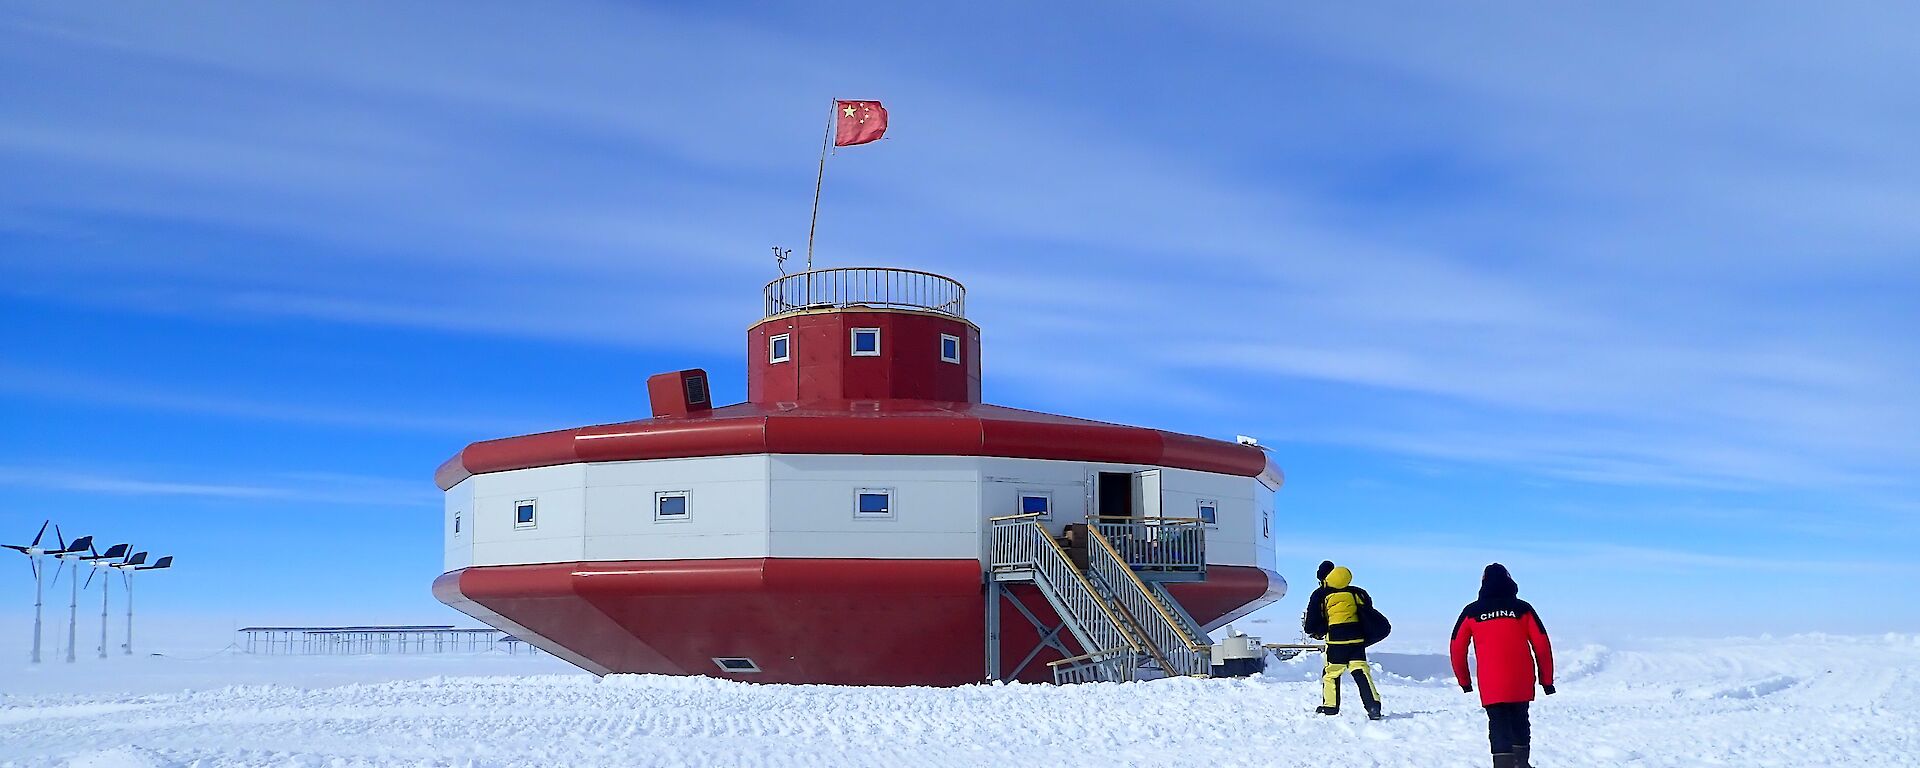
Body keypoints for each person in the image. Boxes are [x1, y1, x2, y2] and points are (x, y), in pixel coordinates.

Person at [1449, 563, 1555, 768]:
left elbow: (1456, 647)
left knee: (1498, 724)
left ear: (1483, 583)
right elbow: (1542, 644)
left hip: (1491, 681)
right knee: (1520, 720)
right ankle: (1521, 764)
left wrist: (1464, 681)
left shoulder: (1472, 611)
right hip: (1521, 679)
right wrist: (1546, 680)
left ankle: (1503, 765)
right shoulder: (1523, 608)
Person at [1302, 562, 1383, 720]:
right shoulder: (1357, 593)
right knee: (1361, 671)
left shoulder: (1321, 594)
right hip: (1356, 640)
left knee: (1331, 674)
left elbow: (1312, 622)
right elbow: (1367, 611)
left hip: (1336, 642)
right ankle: (1373, 707)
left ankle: (1330, 707)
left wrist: (1317, 631)